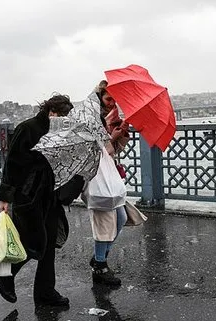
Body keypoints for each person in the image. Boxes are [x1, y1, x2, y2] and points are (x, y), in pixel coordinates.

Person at [0, 94, 74, 308]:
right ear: (51, 111)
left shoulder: (61, 132)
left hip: (50, 195)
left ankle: (45, 293)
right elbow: (12, 164)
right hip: (28, 196)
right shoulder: (27, 128)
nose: (63, 121)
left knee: (48, 245)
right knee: (34, 242)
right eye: (61, 116)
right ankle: (5, 276)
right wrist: (5, 196)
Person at [87, 80, 129, 286]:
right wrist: (112, 137)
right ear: (100, 98)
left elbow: (113, 151)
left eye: (115, 99)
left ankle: (99, 258)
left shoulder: (109, 118)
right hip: (97, 177)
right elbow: (95, 153)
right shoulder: (91, 119)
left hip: (109, 175)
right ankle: (100, 265)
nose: (112, 103)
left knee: (120, 218)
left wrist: (120, 135)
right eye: (108, 98)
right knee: (105, 223)